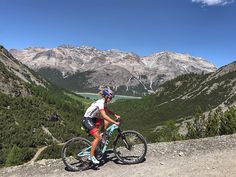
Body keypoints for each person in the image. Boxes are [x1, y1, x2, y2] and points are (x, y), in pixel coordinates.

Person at [82, 86, 120, 164]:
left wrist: (115, 114)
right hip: (87, 119)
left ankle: (102, 136)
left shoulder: (103, 102)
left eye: (112, 98)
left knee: (106, 122)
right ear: (106, 96)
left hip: (92, 119)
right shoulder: (100, 103)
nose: (111, 99)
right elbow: (104, 115)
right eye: (110, 97)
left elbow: (107, 110)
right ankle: (91, 156)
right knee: (97, 137)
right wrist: (114, 122)